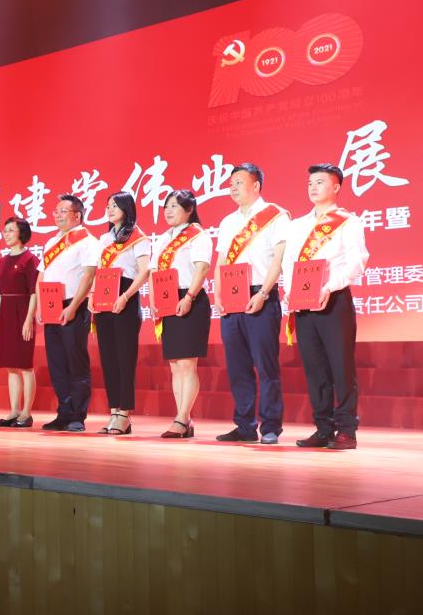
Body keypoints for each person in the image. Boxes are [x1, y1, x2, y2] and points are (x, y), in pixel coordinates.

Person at [282, 164, 370, 450]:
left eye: (320, 182)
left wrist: (329, 287)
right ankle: (323, 428)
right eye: (310, 182)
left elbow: (357, 261)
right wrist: (290, 291)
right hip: (304, 304)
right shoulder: (297, 225)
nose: (313, 187)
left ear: (336, 187)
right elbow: (289, 263)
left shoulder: (348, 221)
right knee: (315, 368)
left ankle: (346, 430)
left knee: (341, 367)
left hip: (334, 300)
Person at [213, 163, 290, 444]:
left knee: (265, 366)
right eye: (231, 183)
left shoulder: (276, 215)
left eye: (239, 183)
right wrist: (217, 294)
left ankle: (270, 426)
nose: (232, 188)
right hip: (232, 297)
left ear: (256, 185)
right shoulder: (227, 222)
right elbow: (221, 261)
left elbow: (279, 259)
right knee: (238, 367)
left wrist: (264, 293)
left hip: (261, 295)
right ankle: (244, 425)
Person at [36, 194, 101, 432]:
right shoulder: (51, 242)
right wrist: (40, 305)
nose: (57, 215)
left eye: (62, 211)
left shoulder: (88, 241)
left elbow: (89, 275)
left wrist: (73, 307)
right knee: (57, 363)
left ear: (77, 215)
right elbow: (42, 275)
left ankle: (77, 416)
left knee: (76, 362)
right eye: (56, 211)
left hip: (74, 305)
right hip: (51, 305)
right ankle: (63, 413)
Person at [151, 190, 213, 438]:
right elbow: (154, 272)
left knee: (187, 364)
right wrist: (154, 300)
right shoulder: (163, 238)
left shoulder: (198, 235)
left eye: (174, 206)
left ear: (189, 210)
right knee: (175, 365)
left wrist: (188, 298)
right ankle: (184, 418)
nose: (168, 210)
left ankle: (181, 418)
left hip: (190, 300)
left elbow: (202, 269)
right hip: (166, 300)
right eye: (166, 206)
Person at [92, 191, 150, 435]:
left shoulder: (138, 237)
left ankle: (124, 414)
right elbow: (98, 270)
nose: (110, 209)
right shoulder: (104, 239)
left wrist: (125, 297)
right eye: (108, 206)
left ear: (127, 208)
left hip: (125, 295)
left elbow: (144, 271)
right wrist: (92, 295)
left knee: (125, 358)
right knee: (108, 358)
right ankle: (114, 411)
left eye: (115, 205)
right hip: (103, 296)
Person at [0, 218, 39, 428]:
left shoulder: (30, 259)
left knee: (25, 365)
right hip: (7, 315)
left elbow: (34, 292)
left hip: (22, 313)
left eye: (11, 230)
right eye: (5, 230)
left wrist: (28, 319)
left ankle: (26, 413)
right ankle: (14, 411)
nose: (6, 234)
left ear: (22, 233)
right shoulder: (3, 260)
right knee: (11, 366)